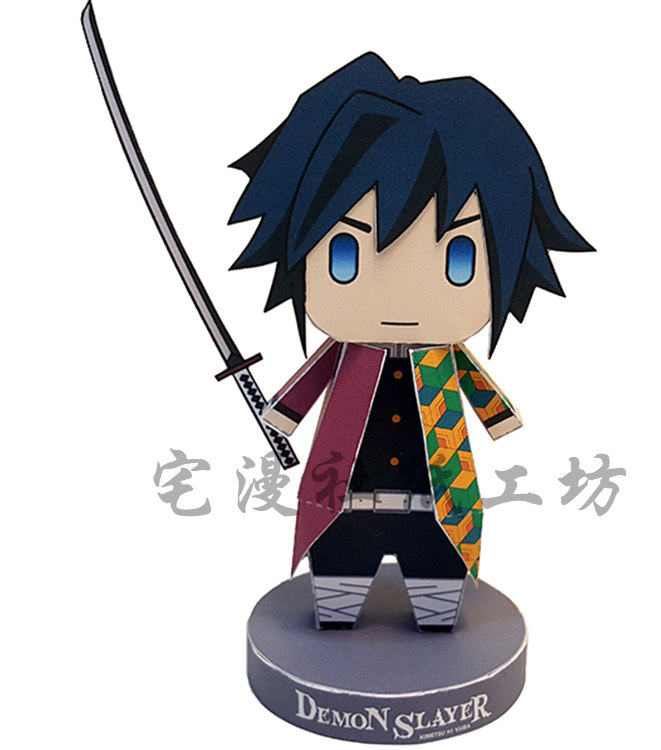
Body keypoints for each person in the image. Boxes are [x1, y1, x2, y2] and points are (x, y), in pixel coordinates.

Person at [229, 53, 593, 630]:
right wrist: (278, 415)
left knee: (438, 582)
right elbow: (302, 391)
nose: (401, 296)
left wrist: (499, 418)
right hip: (342, 494)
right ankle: (340, 609)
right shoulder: (346, 355)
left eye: (458, 257)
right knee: (340, 576)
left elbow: (482, 392)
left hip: (440, 499)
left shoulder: (445, 360)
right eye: (346, 254)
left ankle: (436, 610)